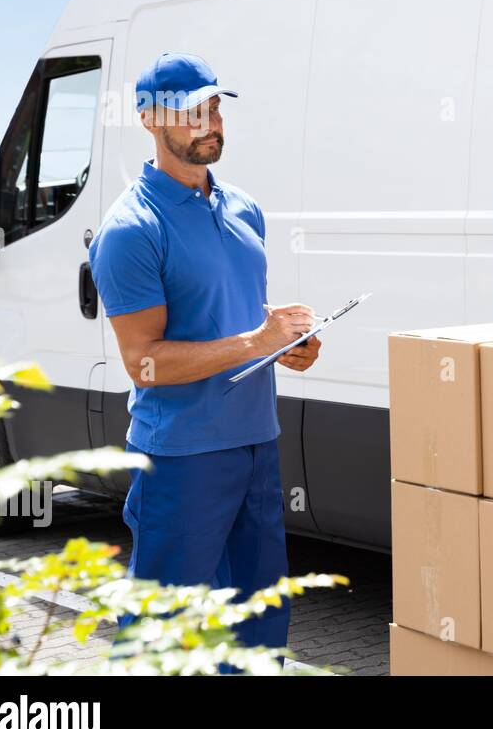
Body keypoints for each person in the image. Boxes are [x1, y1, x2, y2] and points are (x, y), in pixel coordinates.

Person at [87, 52, 322, 670]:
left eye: (214, 106)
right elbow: (143, 363)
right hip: (182, 457)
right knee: (165, 624)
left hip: (256, 444)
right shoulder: (131, 229)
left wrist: (285, 342)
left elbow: (237, 313)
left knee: (258, 618)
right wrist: (254, 343)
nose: (209, 121)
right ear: (148, 119)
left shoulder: (244, 208)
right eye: (192, 110)